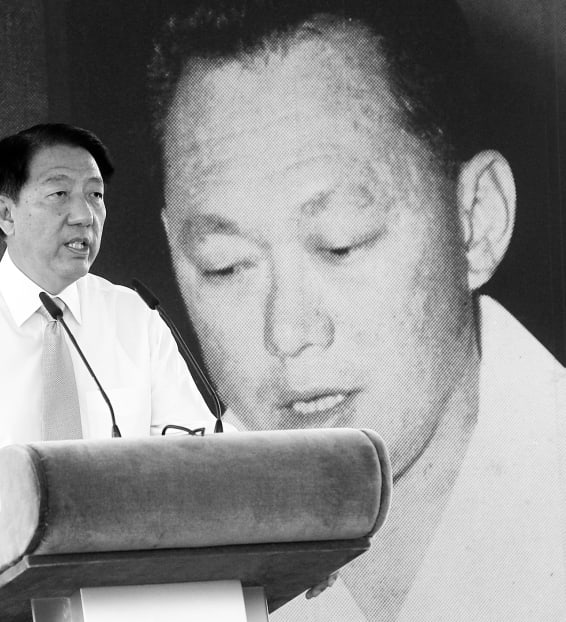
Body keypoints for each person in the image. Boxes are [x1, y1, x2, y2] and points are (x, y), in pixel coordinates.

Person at [149, 0, 566, 620]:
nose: (287, 332)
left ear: (477, 222)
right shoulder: (148, 573)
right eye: (225, 265)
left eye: (342, 243)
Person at [0, 123, 217, 582]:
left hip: (123, 592)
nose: (84, 215)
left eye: (95, 195)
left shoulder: (134, 317)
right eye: (59, 195)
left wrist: (282, 534)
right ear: (6, 214)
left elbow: (198, 458)